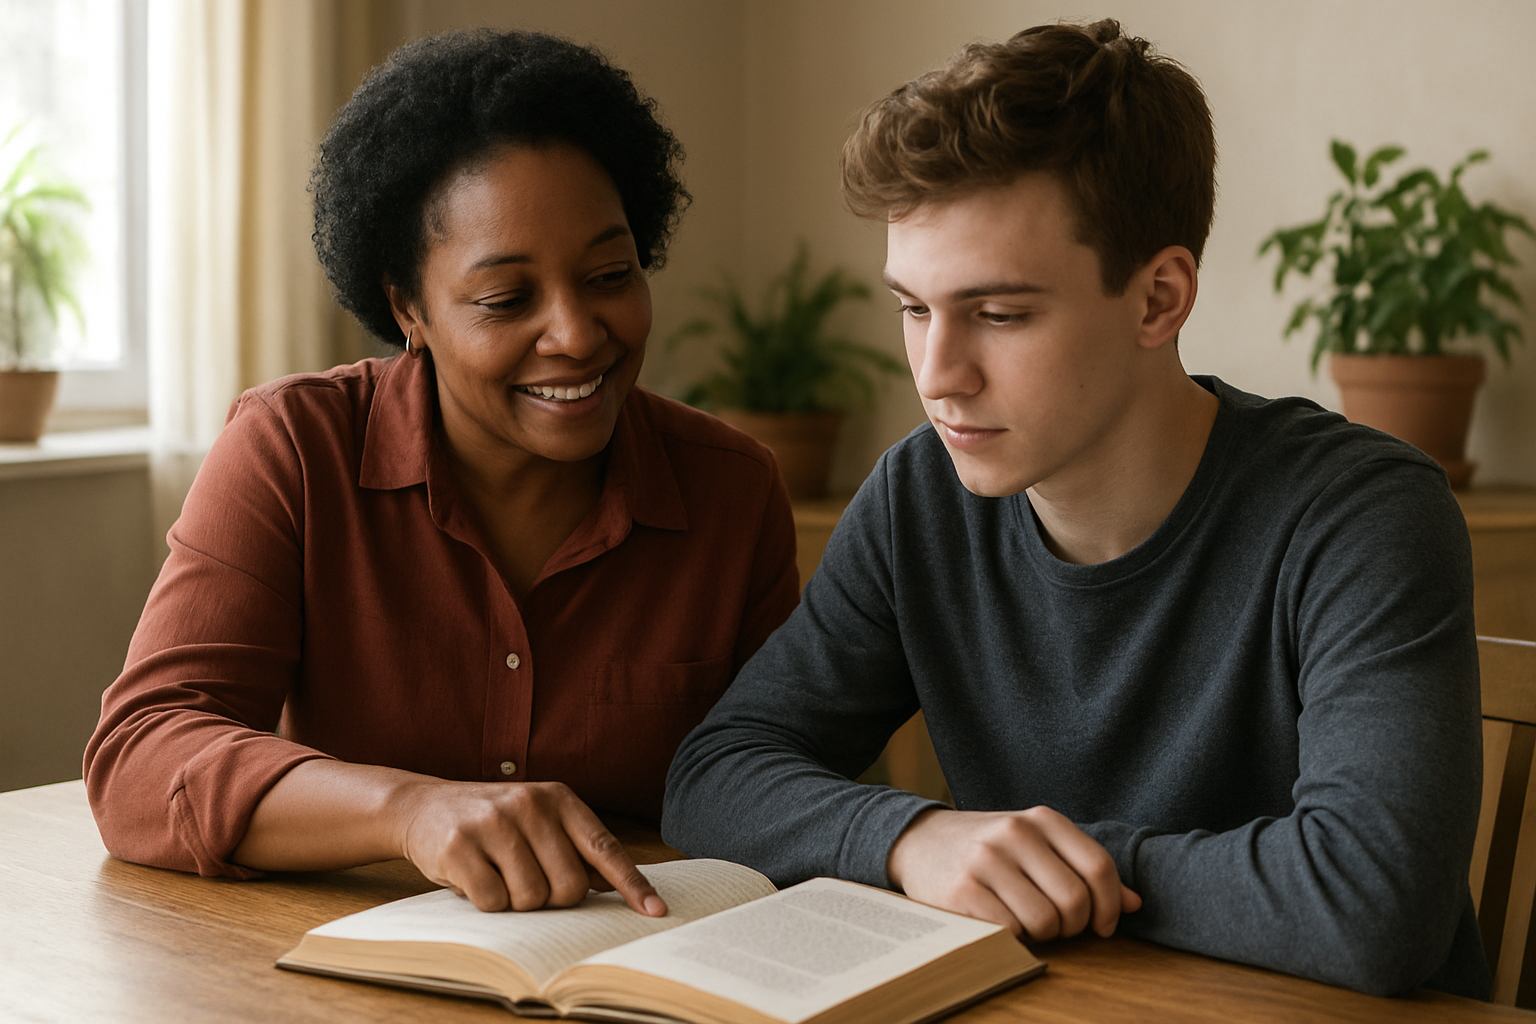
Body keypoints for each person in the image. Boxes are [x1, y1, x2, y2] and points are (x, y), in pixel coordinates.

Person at [663, 19, 1488, 998]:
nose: (938, 375)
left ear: (1158, 298)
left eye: (999, 314)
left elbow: (1373, 908)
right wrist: (916, 837)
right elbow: (713, 774)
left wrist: (1049, 867)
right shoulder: (917, 498)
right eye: (915, 307)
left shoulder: (1361, 513)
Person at [84, 29, 798, 920]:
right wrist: (406, 809)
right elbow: (142, 754)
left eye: (610, 275)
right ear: (407, 306)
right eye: (507, 300)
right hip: (343, 967)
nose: (577, 334)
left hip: (647, 966)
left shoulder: (732, 489)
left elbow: (785, 770)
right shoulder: (295, 450)